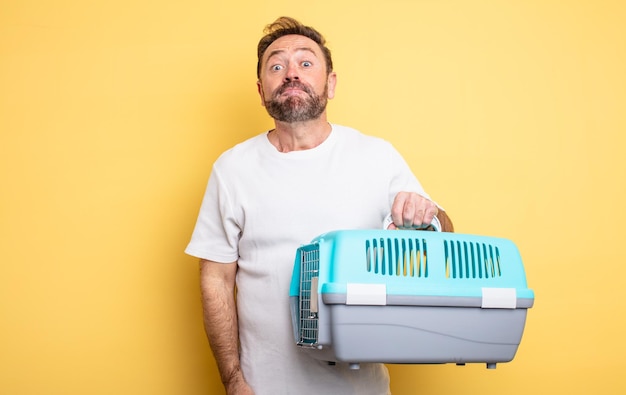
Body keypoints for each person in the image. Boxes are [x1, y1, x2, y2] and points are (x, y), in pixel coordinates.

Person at [185, 16, 453, 395]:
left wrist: (428, 218)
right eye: (277, 65)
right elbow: (215, 278)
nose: (291, 73)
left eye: (305, 63)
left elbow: (443, 236)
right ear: (262, 90)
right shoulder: (232, 168)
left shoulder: (376, 156)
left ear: (331, 83)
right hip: (263, 387)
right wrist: (232, 380)